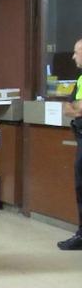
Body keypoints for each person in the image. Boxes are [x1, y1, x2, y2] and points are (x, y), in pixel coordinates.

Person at [59, 38, 82, 250]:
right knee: (80, 187)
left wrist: (76, 108)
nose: (73, 56)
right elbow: (67, 108)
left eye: (76, 52)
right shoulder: (81, 79)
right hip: (80, 135)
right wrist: (76, 108)